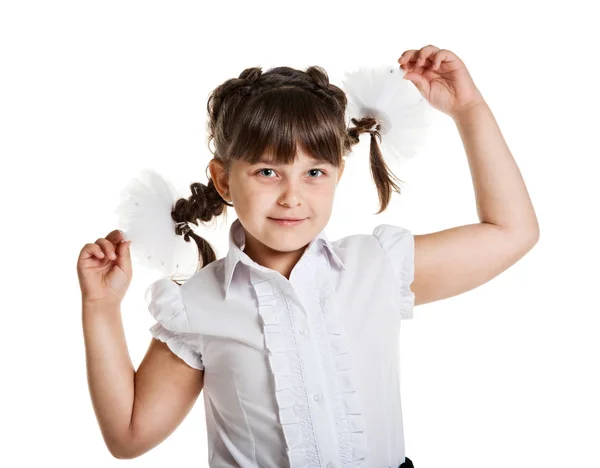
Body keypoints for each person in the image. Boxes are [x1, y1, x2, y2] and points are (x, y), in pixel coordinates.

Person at [77, 45, 539, 467]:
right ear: (224, 181)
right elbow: (129, 435)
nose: (292, 196)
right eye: (267, 172)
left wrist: (468, 110)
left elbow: (512, 232)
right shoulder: (198, 303)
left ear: (337, 173)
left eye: (314, 171)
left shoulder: (377, 266)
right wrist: (100, 308)